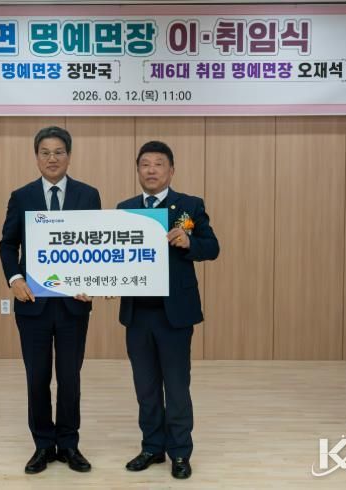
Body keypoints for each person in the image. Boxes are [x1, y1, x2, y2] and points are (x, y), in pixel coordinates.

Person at [0, 126, 101, 474]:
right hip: (33, 305)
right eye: (45, 152)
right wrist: (14, 279)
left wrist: (93, 280)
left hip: (74, 304)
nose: (52, 158)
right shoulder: (22, 196)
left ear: (69, 156)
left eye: (59, 152)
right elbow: (7, 244)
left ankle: (69, 444)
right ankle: (43, 444)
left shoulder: (88, 195)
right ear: (36, 157)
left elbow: (97, 243)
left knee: (70, 377)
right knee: (37, 376)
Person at [117, 141, 219, 479]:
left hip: (174, 314)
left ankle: (180, 452)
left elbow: (212, 247)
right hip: (137, 314)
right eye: (145, 164)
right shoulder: (125, 209)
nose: (151, 170)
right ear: (137, 170)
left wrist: (190, 242)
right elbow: (114, 258)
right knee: (145, 387)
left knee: (176, 387)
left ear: (171, 170)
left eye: (158, 164)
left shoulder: (189, 206)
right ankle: (151, 447)